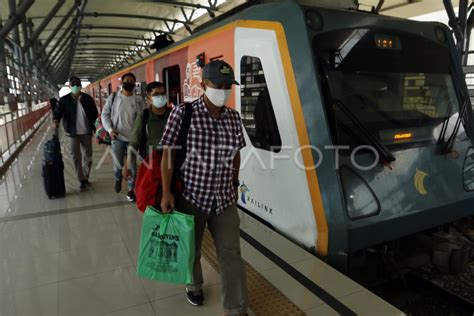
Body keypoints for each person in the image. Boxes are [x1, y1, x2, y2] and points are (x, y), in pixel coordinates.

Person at [160, 60, 248, 316]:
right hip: (191, 196)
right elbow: (168, 154)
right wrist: (166, 193)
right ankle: (194, 285)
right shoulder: (183, 113)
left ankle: (236, 307)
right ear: (203, 85)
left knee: (231, 253)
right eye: (217, 85)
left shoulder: (233, 117)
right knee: (192, 250)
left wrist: (234, 182)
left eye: (227, 86)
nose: (223, 90)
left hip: (223, 200)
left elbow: (236, 155)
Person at [101, 72, 146, 202]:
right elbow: (105, 115)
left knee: (132, 165)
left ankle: (131, 190)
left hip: (133, 139)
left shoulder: (139, 100)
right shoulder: (114, 97)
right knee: (118, 165)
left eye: (132, 81)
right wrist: (110, 129)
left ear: (134, 84)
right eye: (126, 80)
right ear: (122, 83)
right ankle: (118, 178)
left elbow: (143, 118)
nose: (129, 83)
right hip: (118, 137)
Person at [53, 76, 98, 191]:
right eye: (73, 84)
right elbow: (58, 112)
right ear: (69, 86)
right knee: (76, 157)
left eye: (77, 84)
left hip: (86, 132)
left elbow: (94, 113)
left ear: (81, 86)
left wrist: (94, 125)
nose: (76, 86)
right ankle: (81, 180)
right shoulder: (64, 100)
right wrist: (56, 120)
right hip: (72, 133)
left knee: (88, 157)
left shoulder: (88, 99)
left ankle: (86, 177)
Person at [130, 81, 170, 156]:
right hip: (152, 158)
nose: (160, 97)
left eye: (162, 93)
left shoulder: (173, 113)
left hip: (173, 158)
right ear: (149, 97)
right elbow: (134, 141)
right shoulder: (144, 115)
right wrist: (128, 163)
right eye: (156, 94)